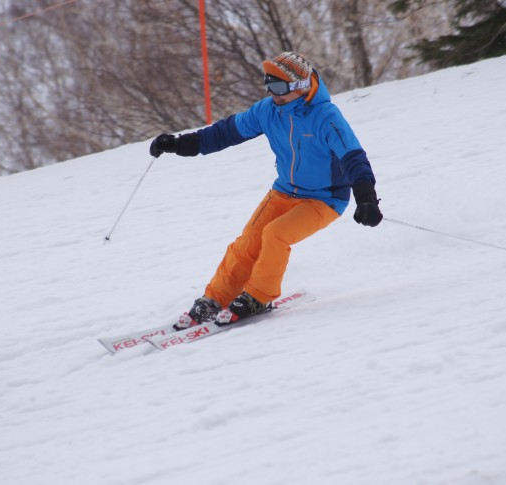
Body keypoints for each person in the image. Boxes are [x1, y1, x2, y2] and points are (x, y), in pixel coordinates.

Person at [149, 51, 382, 329]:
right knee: (249, 240)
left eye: (279, 87)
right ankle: (215, 298)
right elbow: (223, 133)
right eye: (269, 86)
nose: (273, 94)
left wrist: (366, 198)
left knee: (276, 234)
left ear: (299, 86)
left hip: (324, 199)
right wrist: (177, 143)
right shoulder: (268, 111)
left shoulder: (326, 116)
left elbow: (352, 156)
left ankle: (259, 296)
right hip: (283, 191)